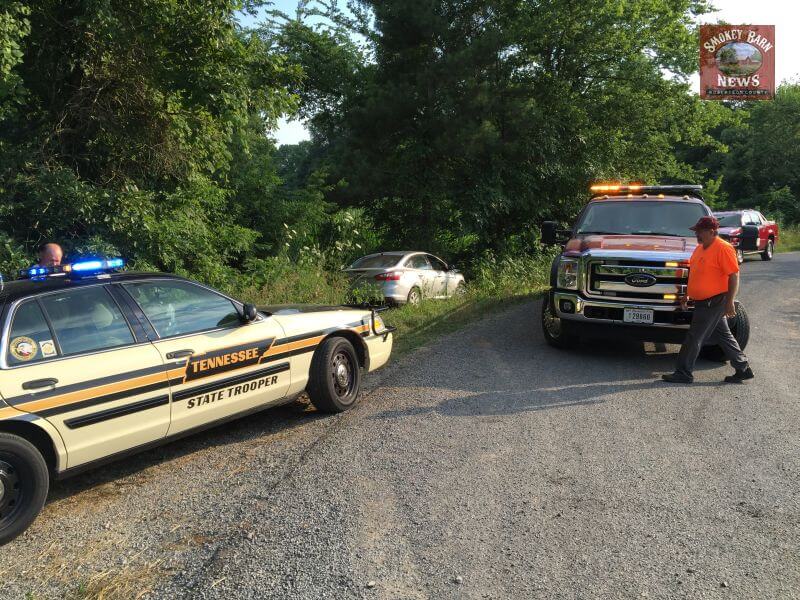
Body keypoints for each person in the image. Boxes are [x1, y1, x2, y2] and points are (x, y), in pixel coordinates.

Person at [661, 216, 754, 384]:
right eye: (696, 231)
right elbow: (695, 274)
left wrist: (730, 301)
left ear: (712, 231)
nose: (697, 234)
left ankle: (683, 372)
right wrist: (687, 294)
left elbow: (734, 275)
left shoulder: (723, 248)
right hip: (703, 300)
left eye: (700, 231)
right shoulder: (699, 249)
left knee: (694, 336)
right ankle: (743, 368)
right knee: (724, 335)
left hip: (714, 300)